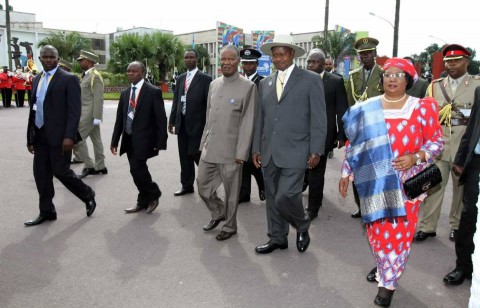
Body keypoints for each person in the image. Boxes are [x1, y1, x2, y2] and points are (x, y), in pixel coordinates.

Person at [339, 58, 443, 307]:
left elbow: (436, 143)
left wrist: (416, 156)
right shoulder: (366, 108)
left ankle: (388, 284)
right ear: (382, 79)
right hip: (373, 180)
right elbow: (354, 145)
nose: (392, 78)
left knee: (398, 235)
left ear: (408, 79)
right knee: (376, 232)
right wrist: (346, 173)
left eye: (399, 74)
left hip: (407, 184)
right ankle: (383, 265)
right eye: (387, 74)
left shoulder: (422, 107)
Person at [252, 36, 327, 254]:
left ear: (292, 54)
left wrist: (316, 149)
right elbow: (261, 119)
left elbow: (319, 118)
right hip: (269, 150)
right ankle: (277, 237)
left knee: (286, 195)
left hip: (297, 150)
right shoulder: (264, 83)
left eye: (282, 54)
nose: (278, 59)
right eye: (275, 55)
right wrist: (256, 148)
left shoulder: (311, 80)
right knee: (273, 197)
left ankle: (302, 225)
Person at [24, 45, 97, 226]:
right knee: (41, 174)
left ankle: (87, 194)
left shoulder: (68, 79)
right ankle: (47, 211)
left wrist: (69, 136)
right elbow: (34, 111)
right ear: (40, 59)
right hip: (40, 136)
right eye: (45, 57)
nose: (48, 60)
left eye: (52, 57)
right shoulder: (37, 79)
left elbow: (74, 111)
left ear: (57, 59)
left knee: (61, 171)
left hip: (61, 137)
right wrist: (30, 137)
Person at [414, 44, 480, 242]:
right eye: (448, 62)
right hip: (439, 146)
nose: (451, 65)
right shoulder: (434, 86)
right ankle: (427, 226)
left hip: (464, 147)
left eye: (456, 61)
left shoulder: (477, 85)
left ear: (466, 62)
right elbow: (425, 116)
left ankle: (456, 225)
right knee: (432, 186)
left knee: (460, 191)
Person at [197, 45, 256, 241]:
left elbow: (248, 121)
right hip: (210, 148)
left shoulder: (248, 87)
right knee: (202, 185)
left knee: (232, 194)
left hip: (232, 152)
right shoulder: (213, 84)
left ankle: (230, 227)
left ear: (238, 61)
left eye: (231, 59)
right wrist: (202, 142)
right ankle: (218, 211)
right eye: (223, 59)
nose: (226, 63)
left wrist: (242, 153)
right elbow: (208, 116)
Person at [111, 61, 168, 214]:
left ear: (142, 72)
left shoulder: (153, 92)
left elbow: (161, 120)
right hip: (129, 139)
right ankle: (143, 200)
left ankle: (154, 193)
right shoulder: (125, 94)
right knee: (135, 170)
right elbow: (120, 120)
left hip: (145, 139)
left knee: (138, 169)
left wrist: (161, 142)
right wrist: (114, 141)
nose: (130, 73)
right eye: (128, 71)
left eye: (134, 71)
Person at [304, 49, 348, 220]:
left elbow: (342, 110)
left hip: (324, 134)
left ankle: (313, 208)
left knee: (316, 170)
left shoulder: (335, 82)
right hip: (302, 133)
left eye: (314, 62)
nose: (310, 65)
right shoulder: (301, 80)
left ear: (323, 64)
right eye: (308, 61)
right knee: (304, 169)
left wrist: (341, 135)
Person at [443, 86, 480, 286]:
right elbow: (473, 126)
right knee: (469, 217)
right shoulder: (479, 91)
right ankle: (463, 267)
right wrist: (460, 158)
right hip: (477, 163)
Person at [346, 37, 384, 218]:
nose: (366, 56)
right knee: (358, 169)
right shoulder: (353, 76)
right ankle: (360, 204)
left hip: (379, 130)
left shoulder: (385, 74)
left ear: (375, 54)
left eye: (369, 53)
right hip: (359, 132)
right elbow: (349, 105)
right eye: (362, 54)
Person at [168, 49, 212, 197]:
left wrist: (208, 125)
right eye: (186, 57)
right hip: (182, 124)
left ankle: (209, 183)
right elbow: (176, 101)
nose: (188, 60)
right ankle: (187, 185)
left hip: (199, 126)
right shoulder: (180, 79)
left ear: (197, 59)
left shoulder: (205, 79)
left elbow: (209, 104)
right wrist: (172, 120)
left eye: (191, 57)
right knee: (184, 157)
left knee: (197, 155)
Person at [74, 50, 108, 178]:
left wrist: (97, 116)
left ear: (88, 61)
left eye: (81, 60)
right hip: (87, 113)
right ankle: (101, 166)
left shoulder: (95, 76)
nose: (80, 62)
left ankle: (89, 166)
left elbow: (98, 98)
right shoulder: (86, 75)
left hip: (89, 114)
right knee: (96, 140)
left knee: (77, 139)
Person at [238, 47, 265, 204]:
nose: (248, 66)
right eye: (245, 63)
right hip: (240, 128)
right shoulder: (238, 82)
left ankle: (263, 186)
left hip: (256, 128)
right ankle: (244, 193)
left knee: (251, 160)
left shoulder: (263, 82)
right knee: (242, 160)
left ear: (256, 64)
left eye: (251, 63)